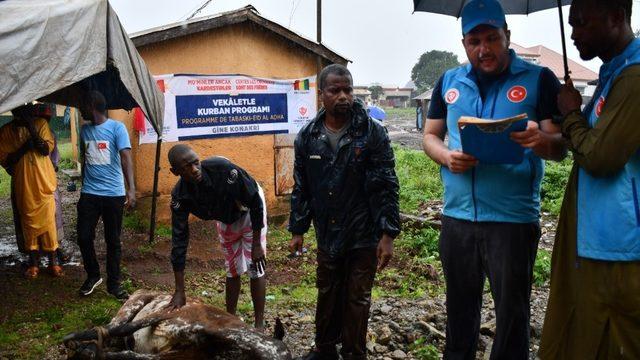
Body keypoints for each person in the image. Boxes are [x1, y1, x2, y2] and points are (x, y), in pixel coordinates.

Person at [421, 1, 567, 358]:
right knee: (459, 313)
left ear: (507, 36)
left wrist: (541, 141)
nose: (483, 49)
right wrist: (446, 156)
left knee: (512, 317)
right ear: (464, 43)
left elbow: (561, 147)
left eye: (491, 38)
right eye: (474, 41)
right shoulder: (449, 81)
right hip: (457, 219)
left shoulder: (539, 79)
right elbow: (430, 135)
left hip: (513, 221)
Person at [539, 0, 640, 357]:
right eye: (571, 23)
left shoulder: (634, 77)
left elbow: (600, 156)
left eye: (581, 23)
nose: (573, 33)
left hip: (620, 246)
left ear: (616, 17)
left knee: (612, 340)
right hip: (595, 237)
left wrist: (570, 114)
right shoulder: (613, 73)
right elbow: (588, 141)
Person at [289, 64, 400, 360]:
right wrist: (298, 229)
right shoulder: (308, 137)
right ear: (321, 94)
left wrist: (388, 233)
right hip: (327, 231)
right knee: (327, 291)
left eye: (347, 90)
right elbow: (302, 186)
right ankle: (325, 349)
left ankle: (353, 353)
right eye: (335, 90)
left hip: (363, 232)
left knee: (357, 297)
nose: (343, 96)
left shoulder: (372, 133)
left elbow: (387, 183)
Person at [164, 144, 267, 330]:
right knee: (232, 268)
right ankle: (230, 320)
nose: (195, 170)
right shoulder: (180, 196)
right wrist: (180, 290)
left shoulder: (224, 170)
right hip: (226, 218)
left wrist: (258, 245)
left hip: (250, 211)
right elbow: (179, 239)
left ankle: (259, 324)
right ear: (175, 171)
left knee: (255, 266)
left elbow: (255, 201)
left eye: (196, 163)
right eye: (187, 167)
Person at [77, 90, 136, 300]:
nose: (80, 109)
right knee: (83, 236)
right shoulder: (84, 131)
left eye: (83, 105)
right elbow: (85, 160)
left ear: (92, 105)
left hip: (113, 194)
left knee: (113, 241)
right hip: (89, 194)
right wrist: (84, 185)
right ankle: (93, 275)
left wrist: (131, 189)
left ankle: (114, 284)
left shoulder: (117, 128)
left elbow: (126, 158)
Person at [0, 104, 61, 278]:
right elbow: (6, 160)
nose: (25, 108)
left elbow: (44, 149)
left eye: (27, 105)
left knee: (49, 219)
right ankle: (34, 264)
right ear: (13, 109)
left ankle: (53, 262)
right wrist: (24, 148)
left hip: (44, 181)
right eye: (20, 106)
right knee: (27, 219)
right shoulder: (5, 131)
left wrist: (31, 127)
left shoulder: (41, 124)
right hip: (23, 183)